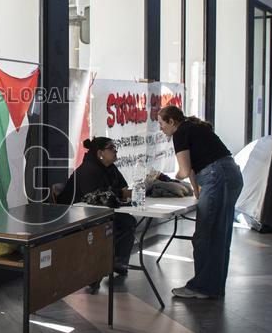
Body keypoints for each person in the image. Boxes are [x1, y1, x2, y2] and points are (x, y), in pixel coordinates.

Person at [157, 106, 243, 299]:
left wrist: (163, 178)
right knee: (220, 235)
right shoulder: (194, 127)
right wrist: (197, 193)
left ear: (171, 121)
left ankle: (201, 287)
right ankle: (213, 286)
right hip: (230, 174)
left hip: (217, 177)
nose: (161, 129)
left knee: (206, 236)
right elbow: (194, 169)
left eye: (161, 123)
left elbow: (185, 170)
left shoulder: (180, 133)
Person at [56, 137, 137, 283]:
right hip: (76, 214)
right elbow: (95, 197)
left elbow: (124, 189)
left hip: (98, 211)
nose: (115, 151)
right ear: (100, 153)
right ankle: (100, 267)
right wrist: (122, 194)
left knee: (128, 220)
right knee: (119, 223)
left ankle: (117, 261)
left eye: (115, 147)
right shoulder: (88, 169)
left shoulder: (110, 167)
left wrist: (124, 193)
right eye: (111, 148)